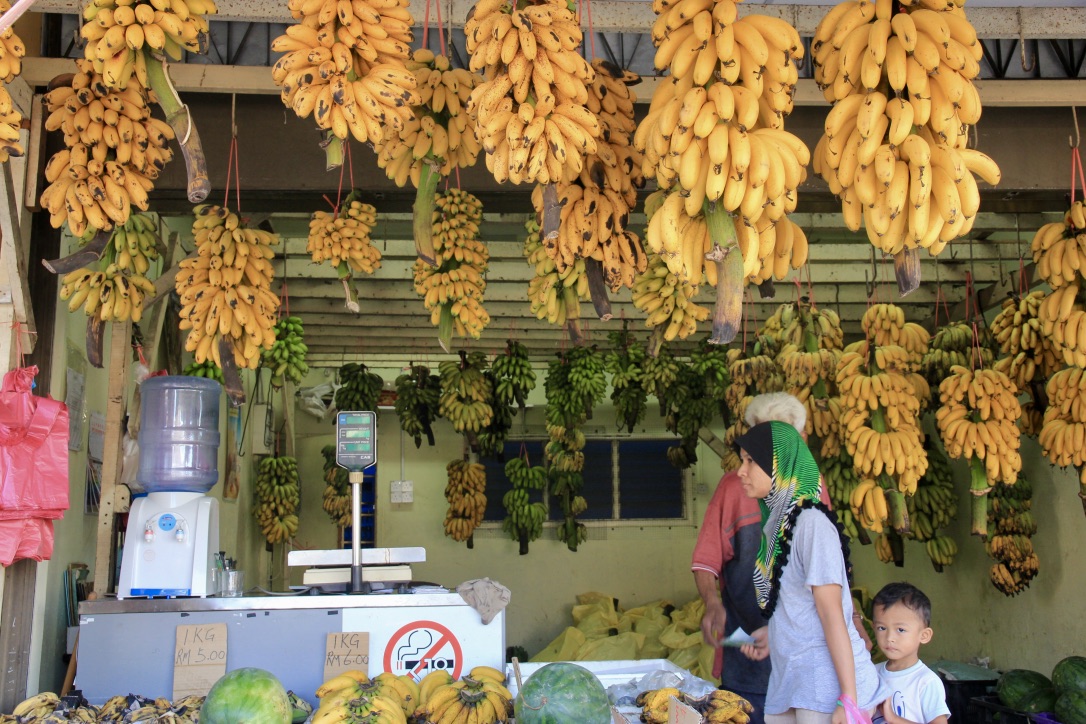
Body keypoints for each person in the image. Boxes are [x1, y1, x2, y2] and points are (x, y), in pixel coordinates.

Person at [734, 420, 887, 724]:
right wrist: (774, 634)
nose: (741, 471)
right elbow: (798, 604)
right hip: (790, 682)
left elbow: (832, 615)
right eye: (742, 461)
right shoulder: (777, 527)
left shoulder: (811, 524)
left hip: (824, 686)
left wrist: (848, 699)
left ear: (781, 463)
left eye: (751, 461)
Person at [692, 393, 812, 724]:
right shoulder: (734, 487)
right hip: (747, 661)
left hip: (802, 664)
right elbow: (706, 559)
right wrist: (712, 602)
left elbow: (827, 583)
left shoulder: (812, 494)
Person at [871, 583, 950, 724]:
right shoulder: (871, 673)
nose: (889, 638)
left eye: (900, 630)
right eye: (882, 628)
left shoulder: (926, 682)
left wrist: (893, 719)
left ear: (924, 635)